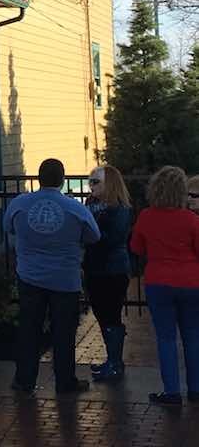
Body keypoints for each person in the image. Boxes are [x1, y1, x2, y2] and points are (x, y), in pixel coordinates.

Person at [3, 158, 100, 396]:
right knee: (64, 332)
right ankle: (65, 382)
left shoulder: (20, 204)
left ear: (39, 178)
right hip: (64, 279)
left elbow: (9, 227)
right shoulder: (74, 208)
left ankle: (24, 380)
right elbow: (94, 235)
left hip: (29, 277)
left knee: (29, 329)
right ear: (63, 179)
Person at [130, 165, 199, 406]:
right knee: (193, 337)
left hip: (158, 281)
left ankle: (172, 392)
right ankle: (196, 388)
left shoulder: (147, 216)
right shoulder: (191, 220)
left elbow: (136, 248)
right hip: (192, 282)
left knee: (166, 338)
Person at [84, 165, 133, 383]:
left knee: (111, 313)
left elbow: (113, 238)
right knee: (100, 312)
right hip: (94, 266)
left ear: (109, 184)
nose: (91, 186)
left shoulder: (120, 208)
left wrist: (90, 231)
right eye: (90, 181)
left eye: (96, 182)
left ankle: (115, 363)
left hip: (113, 268)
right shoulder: (91, 204)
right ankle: (111, 359)